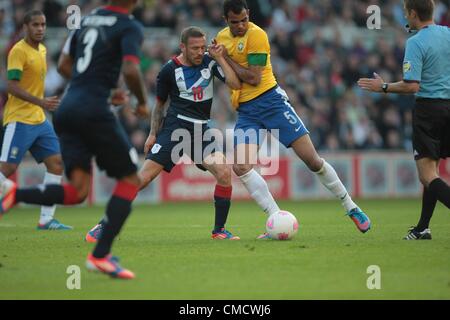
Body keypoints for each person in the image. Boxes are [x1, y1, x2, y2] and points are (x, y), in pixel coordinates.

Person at [0, 0, 150, 279]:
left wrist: (97, 87)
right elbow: (131, 69)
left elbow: (65, 64)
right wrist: (141, 102)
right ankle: (100, 256)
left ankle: (14, 194)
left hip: (67, 109)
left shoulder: (87, 20)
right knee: (131, 180)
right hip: (93, 110)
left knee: (78, 190)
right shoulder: (129, 26)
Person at [215, 0, 371, 238]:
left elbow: (254, 78)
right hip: (247, 111)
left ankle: (350, 205)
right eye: (234, 22)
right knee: (241, 166)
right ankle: (275, 218)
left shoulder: (257, 35)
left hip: (272, 103)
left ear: (249, 14)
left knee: (312, 160)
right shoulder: (221, 39)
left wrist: (226, 59)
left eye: (244, 20)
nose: (240, 25)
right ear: (226, 20)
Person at [85, 26, 242, 243]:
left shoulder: (210, 62)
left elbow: (235, 84)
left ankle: (219, 230)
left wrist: (221, 58)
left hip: (201, 132)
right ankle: (103, 225)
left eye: (202, 47)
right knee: (143, 178)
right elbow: (159, 106)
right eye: (195, 48)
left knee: (224, 172)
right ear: (183, 47)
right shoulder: (169, 70)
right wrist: (152, 134)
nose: (200, 52)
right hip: (175, 129)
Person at [358, 0, 450, 240]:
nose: (405, 18)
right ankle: (422, 228)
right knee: (433, 170)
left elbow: (412, 86)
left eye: (405, 14)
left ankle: (423, 227)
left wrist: (384, 87)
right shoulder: (448, 34)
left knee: (426, 175)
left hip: (429, 109)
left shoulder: (416, 42)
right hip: (448, 106)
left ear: (413, 13)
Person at [0, 10, 72, 230]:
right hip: (19, 118)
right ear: (25, 27)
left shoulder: (42, 50)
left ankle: (46, 219)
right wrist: (40, 102)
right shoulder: (18, 52)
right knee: (8, 169)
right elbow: (11, 86)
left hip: (39, 120)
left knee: (56, 163)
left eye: (43, 24)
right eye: (35, 25)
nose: (40, 29)